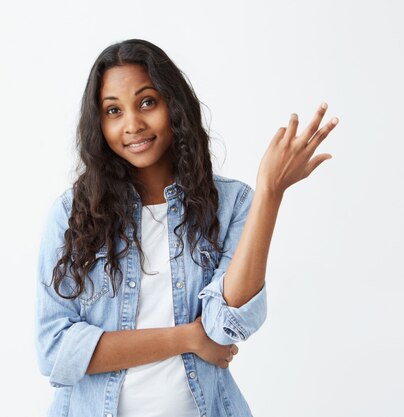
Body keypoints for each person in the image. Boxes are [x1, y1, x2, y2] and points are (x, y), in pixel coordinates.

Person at [35, 39, 339, 417]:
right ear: (98, 123)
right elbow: (55, 351)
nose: (133, 124)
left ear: (173, 105)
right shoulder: (72, 215)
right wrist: (186, 338)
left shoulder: (231, 205)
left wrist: (270, 192)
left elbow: (225, 326)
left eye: (147, 102)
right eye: (113, 110)